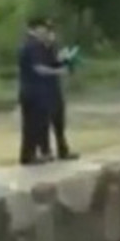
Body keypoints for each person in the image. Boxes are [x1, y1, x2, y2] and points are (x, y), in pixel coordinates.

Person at [17, 17, 68, 165]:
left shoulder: (37, 45)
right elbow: (38, 68)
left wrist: (61, 62)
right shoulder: (32, 45)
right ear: (34, 29)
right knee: (32, 126)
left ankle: (33, 155)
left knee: (37, 125)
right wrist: (58, 72)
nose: (46, 32)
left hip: (37, 93)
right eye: (43, 29)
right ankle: (28, 156)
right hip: (33, 93)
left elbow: (49, 63)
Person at [39, 28, 79, 161]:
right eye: (49, 34)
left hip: (55, 89)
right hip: (43, 90)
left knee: (59, 122)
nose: (51, 37)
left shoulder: (54, 50)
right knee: (44, 123)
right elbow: (43, 69)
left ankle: (63, 150)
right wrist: (59, 69)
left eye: (53, 34)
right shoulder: (39, 51)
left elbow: (60, 65)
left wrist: (67, 60)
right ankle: (45, 151)